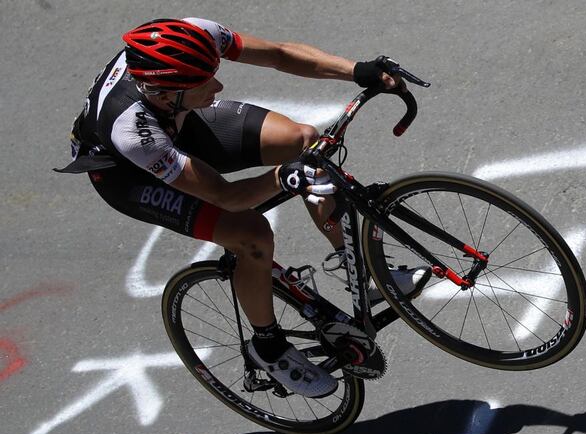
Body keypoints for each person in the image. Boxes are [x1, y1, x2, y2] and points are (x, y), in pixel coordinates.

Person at [57, 18, 430, 398]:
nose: (219, 86)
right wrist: (283, 177)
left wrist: (358, 70)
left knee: (303, 141)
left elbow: (279, 54)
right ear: (165, 94)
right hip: (131, 179)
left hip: (179, 122)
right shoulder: (132, 132)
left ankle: (363, 274)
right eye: (205, 83)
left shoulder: (191, 38)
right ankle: (268, 346)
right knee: (250, 234)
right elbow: (226, 197)